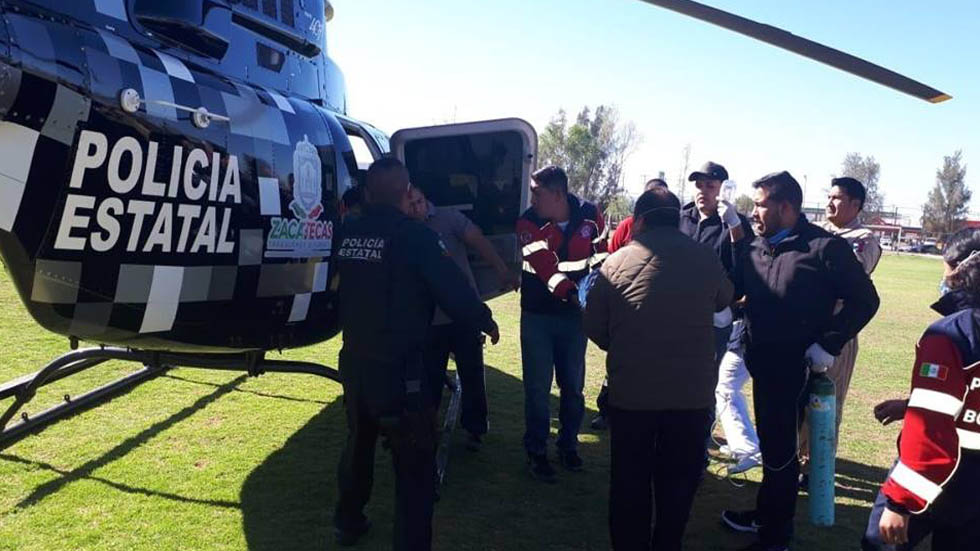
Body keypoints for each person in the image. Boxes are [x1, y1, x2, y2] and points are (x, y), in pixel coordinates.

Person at [332, 157, 500, 550]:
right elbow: (456, 294)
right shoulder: (416, 237)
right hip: (401, 372)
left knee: (359, 445)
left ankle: (347, 521)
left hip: (356, 362)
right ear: (407, 193)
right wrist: (484, 318)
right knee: (414, 468)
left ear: (369, 191)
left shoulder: (349, 232)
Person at [722, 171, 880, 551]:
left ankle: (776, 535)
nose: (753, 211)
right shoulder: (758, 246)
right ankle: (767, 513)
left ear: (786, 207)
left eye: (760, 204)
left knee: (780, 450)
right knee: (776, 446)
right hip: (761, 360)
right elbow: (736, 287)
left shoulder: (824, 248)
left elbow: (866, 300)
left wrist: (829, 342)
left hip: (796, 367)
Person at [584, 187, 734, 550]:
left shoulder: (615, 262)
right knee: (678, 483)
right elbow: (725, 299)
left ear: (640, 221)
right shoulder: (704, 258)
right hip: (691, 396)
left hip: (632, 394)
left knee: (629, 481)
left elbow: (594, 326)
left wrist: (623, 346)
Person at [860, 228, 980, 551]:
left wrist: (899, 503)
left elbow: (932, 432)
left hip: (939, 481)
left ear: (957, 269)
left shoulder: (951, 335)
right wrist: (910, 404)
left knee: (880, 545)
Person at [404, 187, 520, 449]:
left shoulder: (449, 219)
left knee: (472, 374)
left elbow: (479, 242)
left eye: (419, 202)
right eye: (410, 204)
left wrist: (502, 270)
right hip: (428, 321)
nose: (416, 208)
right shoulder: (403, 232)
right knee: (429, 379)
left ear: (427, 201)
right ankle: (426, 430)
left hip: (463, 315)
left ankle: (475, 429)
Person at [517, 165, 608, 481]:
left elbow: (601, 258)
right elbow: (545, 269)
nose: (532, 198)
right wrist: (576, 296)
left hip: (573, 321)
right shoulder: (528, 221)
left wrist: (596, 292)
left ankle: (568, 446)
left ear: (557, 194)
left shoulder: (591, 216)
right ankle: (537, 452)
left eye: (537, 192)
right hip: (538, 317)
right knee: (538, 389)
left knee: (573, 387)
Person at [798, 176, 883, 488]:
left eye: (837, 198)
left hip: (837, 332)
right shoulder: (820, 231)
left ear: (855, 205)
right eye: (829, 196)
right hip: (806, 328)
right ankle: (796, 460)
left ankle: (816, 469)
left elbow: (851, 281)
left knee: (825, 401)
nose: (829, 203)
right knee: (799, 399)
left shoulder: (863, 238)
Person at [592, 177, 669, 431]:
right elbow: (609, 258)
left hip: (659, 313)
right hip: (625, 308)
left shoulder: (676, 236)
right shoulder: (626, 227)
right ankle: (606, 411)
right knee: (616, 368)